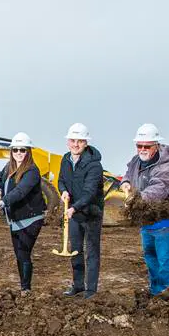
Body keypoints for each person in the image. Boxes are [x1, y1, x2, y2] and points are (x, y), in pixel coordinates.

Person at [120, 123, 169, 296]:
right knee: (150, 258)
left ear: (156, 146)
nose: (142, 149)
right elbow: (128, 174)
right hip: (146, 220)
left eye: (146, 146)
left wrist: (135, 200)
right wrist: (125, 182)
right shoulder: (135, 161)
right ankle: (156, 292)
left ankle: (166, 294)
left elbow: (157, 190)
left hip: (164, 221)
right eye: (139, 145)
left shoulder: (165, 168)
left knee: (164, 261)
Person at [0, 132, 46, 295]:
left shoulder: (32, 171)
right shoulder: (9, 166)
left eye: (22, 150)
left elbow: (21, 191)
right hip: (14, 218)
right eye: (15, 150)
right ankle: (24, 286)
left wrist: (3, 202)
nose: (18, 153)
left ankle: (26, 289)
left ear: (28, 151)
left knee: (23, 252)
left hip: (31, 218)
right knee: (18, 253)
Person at [57, 123, 105, 298]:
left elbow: (90, 192)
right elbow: (61, 180)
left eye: (80, 141)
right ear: (67, 142)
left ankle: (91, 290)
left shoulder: (94, 165)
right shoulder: (65, 159)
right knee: (76, 250)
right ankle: (78, 285)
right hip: (74, 214)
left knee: (92, 251)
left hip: (91, 213)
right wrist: (62, 191)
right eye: (72, 140)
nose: (75, 144)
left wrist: (74, 207)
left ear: (86, 143)